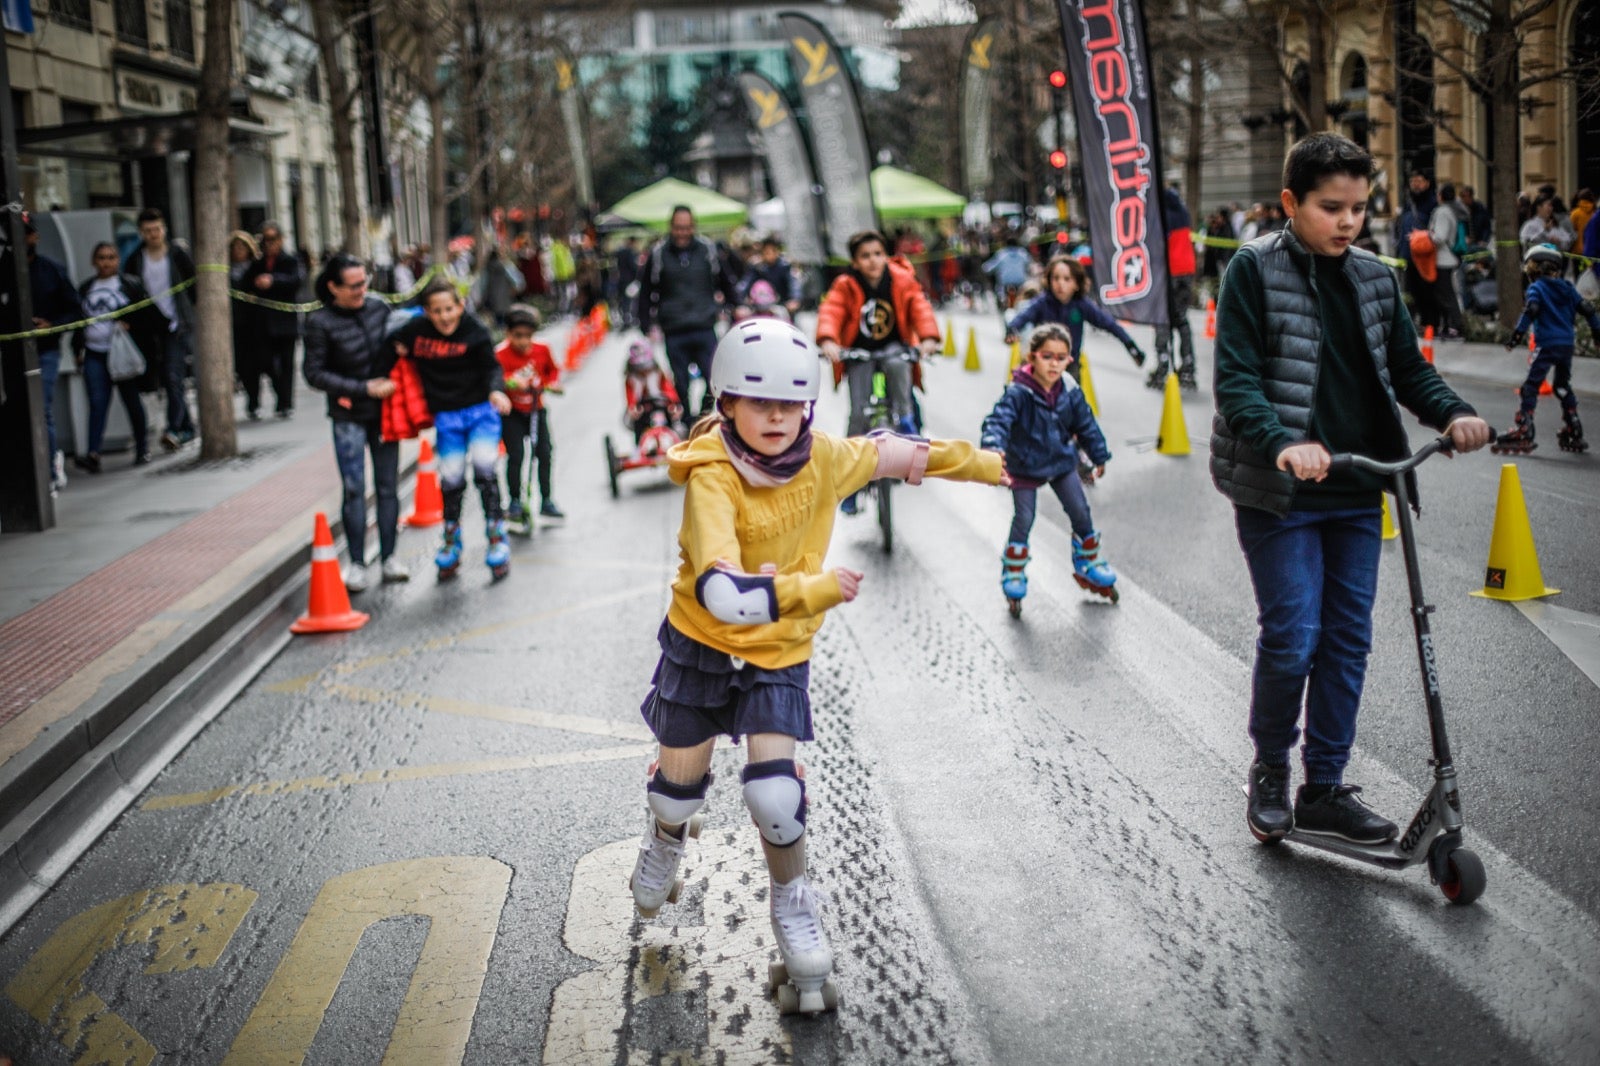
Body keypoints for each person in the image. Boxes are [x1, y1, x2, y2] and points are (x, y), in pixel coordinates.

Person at [626, 317, 1005, 1013]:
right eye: (759, 402)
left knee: (775, 797)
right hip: (703, 643)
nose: (777, 418)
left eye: (791, 404)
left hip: (777, 652)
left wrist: (988, 464)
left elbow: (895, 451)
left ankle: (794, 905)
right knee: (674, 794)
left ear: (808, 405)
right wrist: (813, 588)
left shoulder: (823, 456)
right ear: (728, 404)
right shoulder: (712, 478)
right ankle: (665, 837)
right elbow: (724, 592)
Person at [1212, 132, 1491, 847]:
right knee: (1293, 635)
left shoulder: (1373, 276)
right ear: (1289, 203)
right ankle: (1272, 768)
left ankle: (1325, 788)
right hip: (1280, 494)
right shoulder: (1252, 271)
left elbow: (1408, 369)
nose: (1347, 222)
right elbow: (1236, 382)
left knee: (1346, 640)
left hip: (1358, 489)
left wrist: (1453, 412)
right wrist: (1284, 443)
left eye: (1359, 208)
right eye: (1330, 207)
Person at [981, 325, 1116, 610]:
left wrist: (1099, 455)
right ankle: (1014, 569)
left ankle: (1088, 561)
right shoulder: (1018, 391)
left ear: (1069, 359)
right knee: (1024, 517)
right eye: (1047, 356)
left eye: (1061, 357)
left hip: (1060, 462)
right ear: (1032, 357)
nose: (1054, 363)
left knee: (1080, 509)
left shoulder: (1069, 388)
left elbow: (1086, 424)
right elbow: (998, 420)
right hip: (1024, 467)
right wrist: (994, 447)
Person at [392, 279, 513, 579]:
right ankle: (451, 542)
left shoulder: (475, 330)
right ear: (426, 313)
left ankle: (497, 538)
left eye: (450, 308)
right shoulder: (416, 331)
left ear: (460, 306)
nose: (445, 316)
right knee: (451, 478)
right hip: (446, 416)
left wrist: (496, 391)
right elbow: (389, 342)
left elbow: (492, 367)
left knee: (485, 469)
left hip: (481, 411)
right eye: (437, 311)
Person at [815, 229, 941, 514]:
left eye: (877, 254)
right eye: (864, 256)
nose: (872, 261)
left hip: (893, 347)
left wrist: (929, 338)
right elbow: (831, 312)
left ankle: (907, 420)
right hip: (858, 352)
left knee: (898, 366)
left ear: (886, 255)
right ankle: (849, 486)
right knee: (858, 414)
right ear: (855, 262)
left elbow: (920, 308)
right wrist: (828, 341)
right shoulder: (845, 285)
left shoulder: (901, 280)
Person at [303, 253, 407, 593]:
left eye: (365, 282)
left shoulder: (380, 308)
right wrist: (362, 389)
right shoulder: (319, 321)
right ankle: (358, 563)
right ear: (333, 287)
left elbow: (396, 346)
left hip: (385, 414)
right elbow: (313, 373)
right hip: (348, 414)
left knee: (388, 485)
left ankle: (389, 558)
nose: (363, 289)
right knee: (353, 489)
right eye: (354, 285)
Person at [1492, 244, 1600, 455]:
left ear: (1534, 268)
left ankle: (1524, 428)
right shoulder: (1568, 288)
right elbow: (1588, 309)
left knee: (1530, 386)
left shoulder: (1537, 288)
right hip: (1566, 344)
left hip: (1546, 344)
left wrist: (1516, 336)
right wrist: (1597, 332)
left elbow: (1531, 310)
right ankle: (1574, 426)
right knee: (1561, 386)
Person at [635, 206, 741, 417]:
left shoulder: (708, 251)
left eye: (687, 227)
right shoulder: (658, 255)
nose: (682, 232)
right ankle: (686, 420)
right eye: (678, 228)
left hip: (704, 326)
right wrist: (645, 325)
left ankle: (702, 417)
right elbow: (645, 292)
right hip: (674, 329)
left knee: (714, 380)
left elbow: (725, 281)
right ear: (671, 227)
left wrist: (737, 307)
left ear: (693, 227)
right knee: (680, 383)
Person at [73, 242, 163, 471]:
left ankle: (142, 447)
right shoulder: (86, 288)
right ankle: (93, 453)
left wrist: (131, 325)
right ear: (94, 261)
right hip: (95, 353)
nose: (106, 262)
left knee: (131, 401)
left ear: (118, 260)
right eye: (101, 257)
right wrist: (78, 350)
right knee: (97, 403)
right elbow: (78, 322)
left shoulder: (130, 285)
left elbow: (147, 316)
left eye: (111, 257)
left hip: (121, 353)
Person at [1004, 255, 1146, 383]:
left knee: (1071, 405)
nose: (1060, 284)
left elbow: (1109, 324)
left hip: (1069, 366)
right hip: (1042, 366)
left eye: (1067, 279)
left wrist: (1131, 346)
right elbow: (1021, 319)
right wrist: (1011, 330)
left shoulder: (1082, 305)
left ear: (1077, 284)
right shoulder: (1042, 303)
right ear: (1049, 280)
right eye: (1056, 278)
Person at [123, 207, 197, 451]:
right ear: (141, 233)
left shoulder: (177, 255)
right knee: (166, 378)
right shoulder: (136, 258)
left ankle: (174, 428)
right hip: (151, 329)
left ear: (163, 229)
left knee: (173, 376)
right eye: (148, 231)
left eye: (156, 229)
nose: (153, 234)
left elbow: (194, 285)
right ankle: (187, 426)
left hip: (177, 325)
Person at [23, 219, 84, 491]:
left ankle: (49, 470)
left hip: (45, 350)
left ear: (34, 237)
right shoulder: (5, 270)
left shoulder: (51, 271)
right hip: (12, 354)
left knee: (42, 407)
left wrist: (51, 325)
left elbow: (75, 310)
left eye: (25, 235)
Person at [495, 303, 564, 531]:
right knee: (516, 456)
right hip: (512, 412)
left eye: (528, 336)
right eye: (517, 336)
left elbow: (552, 371)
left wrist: (553, 383)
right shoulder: (501, 355)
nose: (523, 341)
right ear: (508, 334)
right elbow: (495, 379)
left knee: (544, 452)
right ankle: (515, 500)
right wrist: (511, 382)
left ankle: (546, 499)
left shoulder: (541, 350)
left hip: (536, 409)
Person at [239, 222, 302, 419]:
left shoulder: (290, 260)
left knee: (286, 364)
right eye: (265, 240)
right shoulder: (257, 264)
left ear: (281, 239)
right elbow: (245, 284)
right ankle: (280, 396)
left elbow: (296, 281)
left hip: (285, 323)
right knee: (267, 363)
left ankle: (285, 403)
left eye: (272, 239)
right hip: (264, 324)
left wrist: (273, 280)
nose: (269, 244)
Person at [1152, 186, 1199, 390]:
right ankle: (1188, 365)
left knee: (1163, 319)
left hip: (1170, 272)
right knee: (1181, 319)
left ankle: (1163, 365)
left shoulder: (1162, 216)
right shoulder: (1182, 212)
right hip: (1186, 271)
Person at [624, 339, 682, 449]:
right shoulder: (631, 380)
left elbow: (669, 391)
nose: (643, 370)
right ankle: (640, 446)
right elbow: (630, 398)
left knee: (674, 416)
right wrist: (633, 408)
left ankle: (673, 439)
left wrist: (673, 404)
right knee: (637, 420)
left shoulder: (659, 375)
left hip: (662, 407)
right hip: (642, 411)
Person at [1427, 184, 1468, 339]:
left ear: (1441, 196)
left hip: (1443, 260)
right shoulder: (1452, 211)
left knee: (1446, 295)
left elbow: (1440, 237)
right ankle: (1448, 326)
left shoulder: (1443, 212)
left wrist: (1428, 235)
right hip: (1448, 259)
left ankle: (1456, 326)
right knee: (1445, 294)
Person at [738, 236, 802, 317]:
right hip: (759, 307)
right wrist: (739, 302)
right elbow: (745, 284)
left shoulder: (785, 266)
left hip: (781, 306)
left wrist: (794, 299)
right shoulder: (757, 267)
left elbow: (793, 284)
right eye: (766, 252)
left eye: (773, 251)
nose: (770, 254)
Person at [982, 234, 1033, 308]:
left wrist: (985, 268)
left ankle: (1002, 302)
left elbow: (993, 265)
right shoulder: (1022, 253)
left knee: (1000, 292)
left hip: (1005, 281)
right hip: (1020, 281)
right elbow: (1029, 263)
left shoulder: (1002, 254)